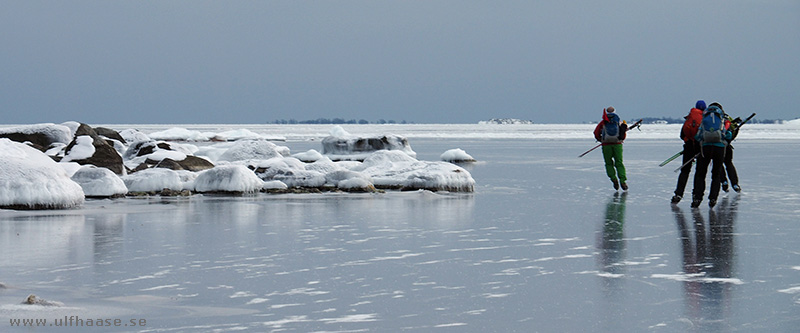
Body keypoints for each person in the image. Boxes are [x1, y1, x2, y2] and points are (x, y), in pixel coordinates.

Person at [691, 102, 732, 208]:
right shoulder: (722, 119)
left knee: (700, 173)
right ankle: (713, 198)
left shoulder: (705, 119)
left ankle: (697, 198)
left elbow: (698, 136)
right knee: (716, 174)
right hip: (719, 148)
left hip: (706, 148)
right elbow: (728, 134)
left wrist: (701, 143)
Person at [672, 100, 705, 203]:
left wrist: (688, 141)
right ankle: (696, 196)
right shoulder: (704, 118)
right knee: (699, 173)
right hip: (700, 148)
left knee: (685, 171)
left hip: (688, 147)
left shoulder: (689, 117)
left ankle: (678, 193)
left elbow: (682, 135)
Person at [593, 106, 629, 190]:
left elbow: (596, 132)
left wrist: (600, 140)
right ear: (614, 111)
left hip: (606, 145)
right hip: (617, 144)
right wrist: (620, 139)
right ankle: (623, 181)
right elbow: (623, 133)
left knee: (609, 163)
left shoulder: (603, 122)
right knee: (619, 163)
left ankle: (613, 179)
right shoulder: (618, 121)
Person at [720, 114, 742, 192]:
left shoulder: (709, 117)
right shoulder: (727, 118)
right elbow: (733, 133)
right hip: (727, 146)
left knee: (718, 164)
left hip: (715, 147)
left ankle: (724, 181)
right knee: (729, 164)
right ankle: (735, 184)